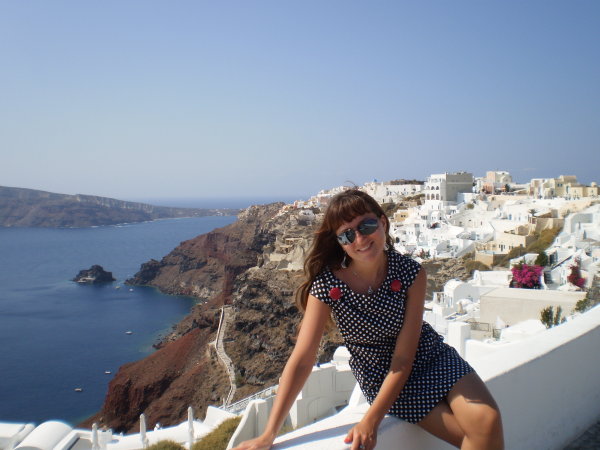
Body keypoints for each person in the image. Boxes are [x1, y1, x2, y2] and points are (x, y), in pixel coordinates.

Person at [234, 189, 503, 450]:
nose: (360, 239)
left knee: (488, 420)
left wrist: (371, 421)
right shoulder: (327, 286)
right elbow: (302, 359)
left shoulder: (410, 272)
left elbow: (404, 357)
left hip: (431, 356)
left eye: (367, 226)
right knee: (473, 437)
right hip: (383, 378)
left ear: (383, 222)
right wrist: (268, 434)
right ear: (339, 243)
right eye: (347, 235)